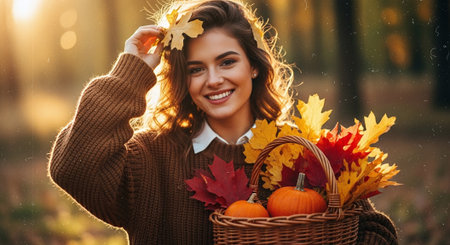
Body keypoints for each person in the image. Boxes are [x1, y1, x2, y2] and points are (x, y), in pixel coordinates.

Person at [48, 0, 398, 244]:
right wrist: (131, 72)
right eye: (196, 69)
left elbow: (374, 228)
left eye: (227, 62)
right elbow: (73, 167)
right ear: (183, 80)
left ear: (254, 66)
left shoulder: (299, 150)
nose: (213, 79)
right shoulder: (150, 158)